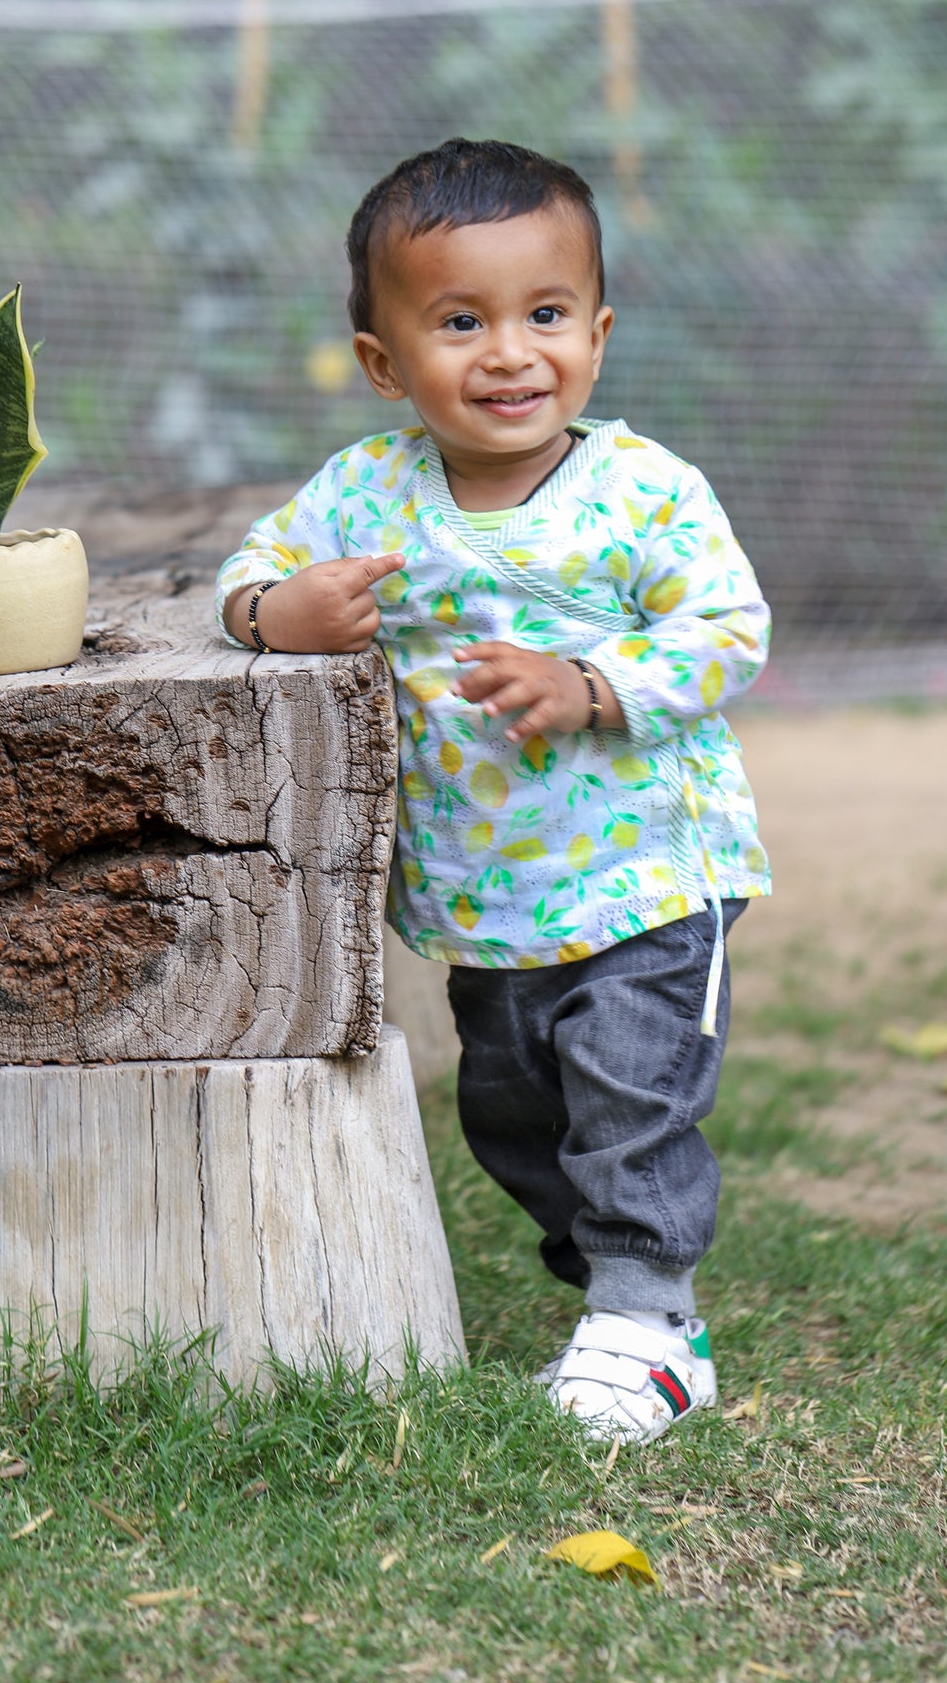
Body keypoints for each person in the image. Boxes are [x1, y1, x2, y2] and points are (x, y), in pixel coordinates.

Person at [215, 137, 770, 1444]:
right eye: (459, 322)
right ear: (382, 363)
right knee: (513, 1110)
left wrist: (587, 682)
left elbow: (726, 630)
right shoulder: (369, 490)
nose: (509, 353)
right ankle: (611, 1295)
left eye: (544, 315)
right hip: (484, 894)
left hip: (646, 874)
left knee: (629, 1103)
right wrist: (276, 610)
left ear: (595, 330)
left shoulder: (641, 492)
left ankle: (648, 1320)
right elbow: (248, 574)